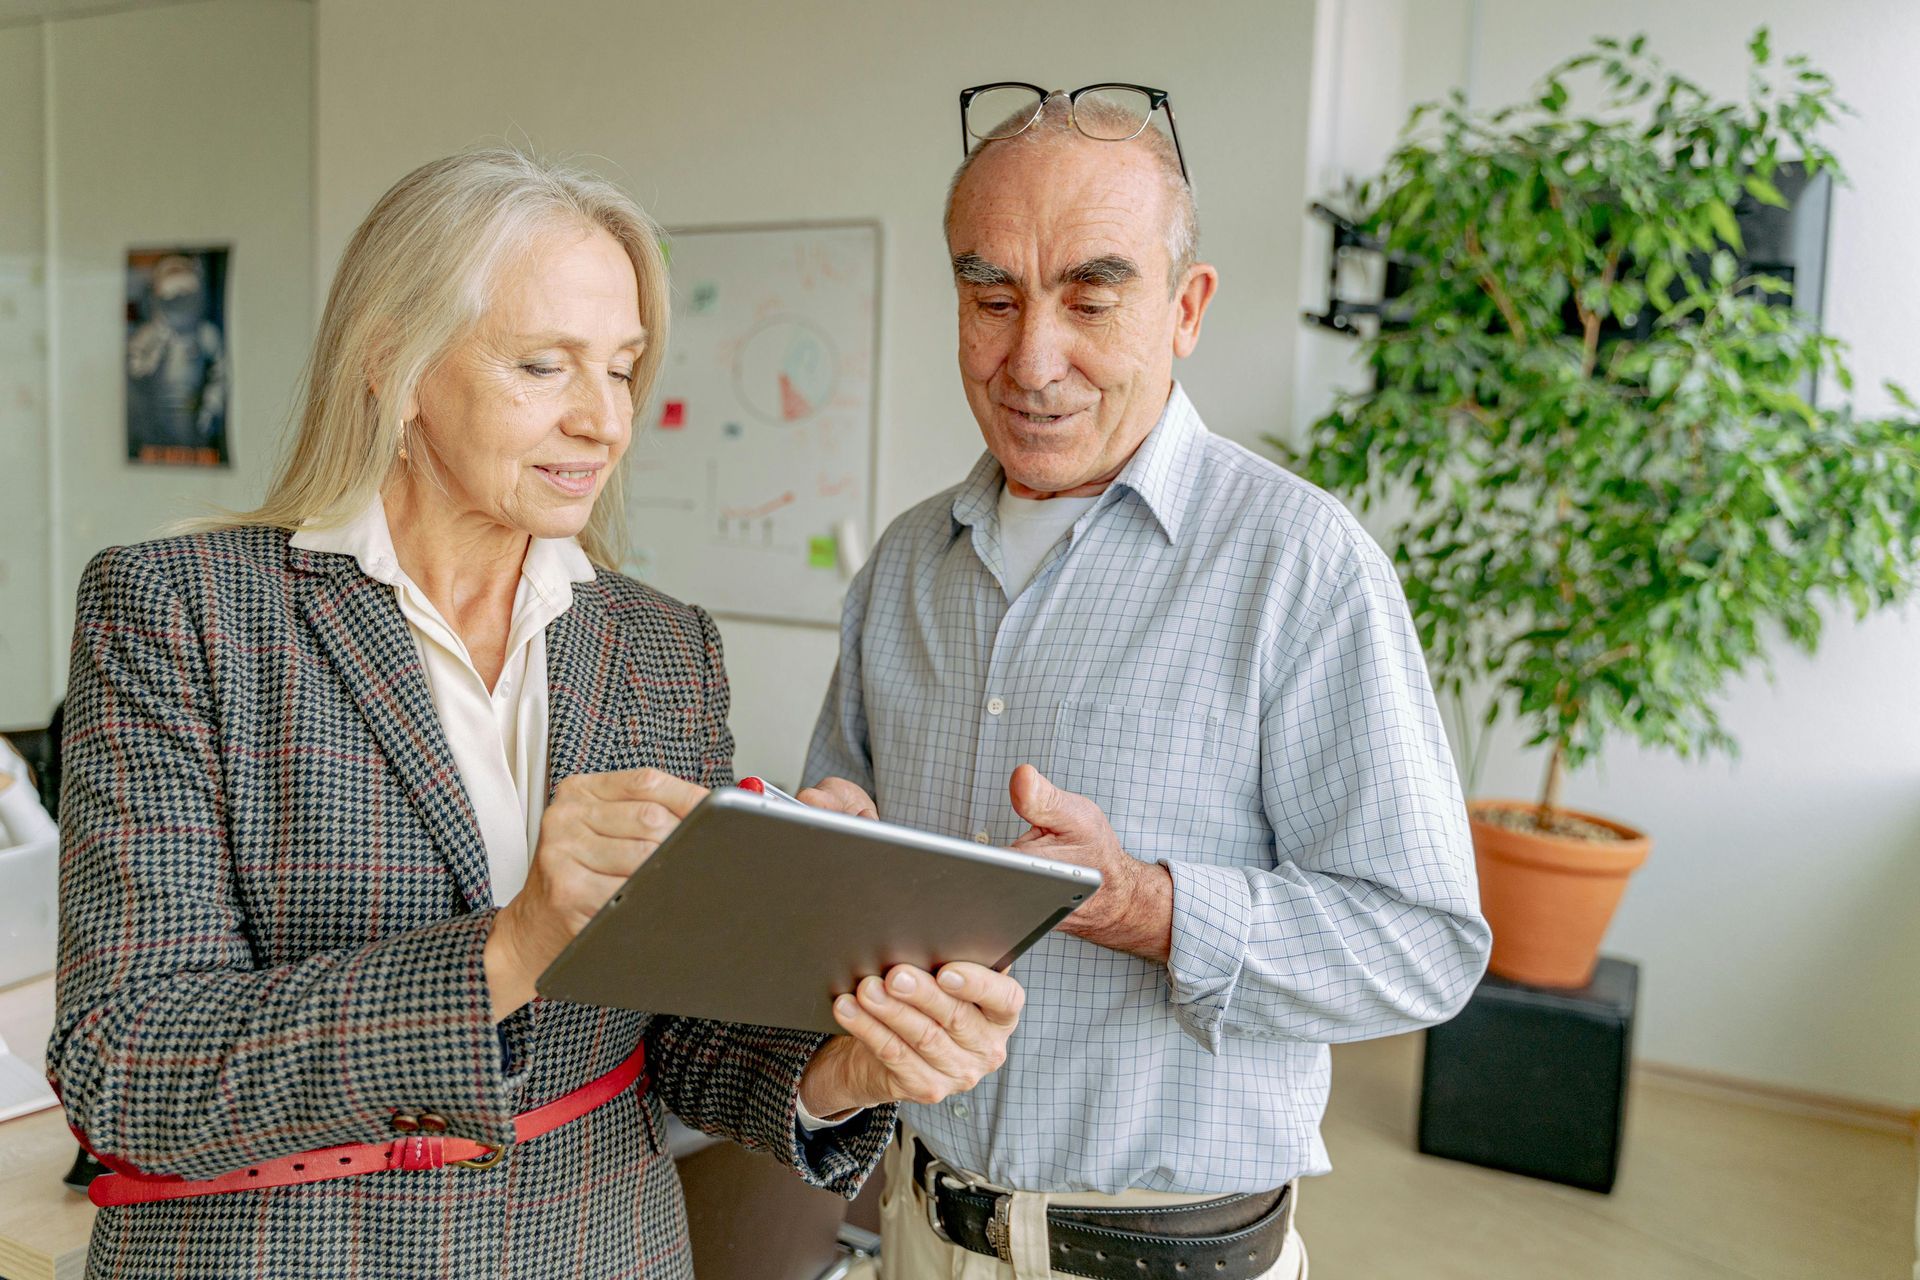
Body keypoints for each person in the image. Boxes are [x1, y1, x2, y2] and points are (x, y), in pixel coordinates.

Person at [49, 148, 1024, 1280]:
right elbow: (128, 1068)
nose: (605, 421)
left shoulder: (661, 647)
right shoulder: (182, 612)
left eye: (621, 368)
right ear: (394, 364)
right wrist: (512, 946)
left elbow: (678, 1038)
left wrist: (847, 1066)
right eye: (543, 365)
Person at [802, 86, 1491, 1279]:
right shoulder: (902, 566)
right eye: (993, 296)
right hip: (913, 1231)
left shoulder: (1304, 565)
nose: (1033, 358)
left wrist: (1150, 905)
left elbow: (1424, 943)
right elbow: (836, 848)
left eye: (1092, 294)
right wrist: (820, 862)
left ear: (1186, 307)